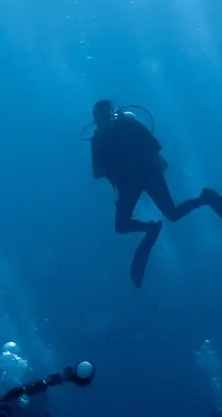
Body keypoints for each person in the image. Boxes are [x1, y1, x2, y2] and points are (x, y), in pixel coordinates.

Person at [88, 100, 222, 287]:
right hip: (139, 178)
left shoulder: (123, 127)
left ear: (110, 114)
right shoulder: (102, 137)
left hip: (141, 177)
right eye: (99, 117)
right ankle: (160, 224)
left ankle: (159, 225)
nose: (101, 120)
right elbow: (99, 171)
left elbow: (99, 171)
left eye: (103, 116)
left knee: (166, 215)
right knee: (128, 224)